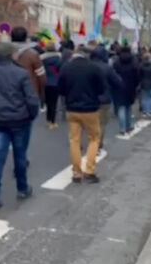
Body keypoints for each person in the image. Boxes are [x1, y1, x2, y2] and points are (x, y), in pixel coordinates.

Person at [0, 43, 39, 211]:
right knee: (20, 155)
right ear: (12, 55)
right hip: (20, 119)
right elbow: (31, 99)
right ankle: (22, 188)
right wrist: (31, 115)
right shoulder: (21, 73)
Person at [58, 45, 105, 183]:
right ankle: (89, 170)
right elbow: (101, 89)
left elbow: (61, 89)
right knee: (94, 138)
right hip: (90, 109)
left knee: (74, 140)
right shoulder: (94, 68)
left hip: (72, 109)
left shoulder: (66, 67)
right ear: (88, 55)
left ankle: (76, 172)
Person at [90, 44, 123, 150]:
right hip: (104, 99)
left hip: (88, 98)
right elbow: (118, 82)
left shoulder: (87, 65)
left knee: (88, 122)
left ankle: (89, 141)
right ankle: (98, 144)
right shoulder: (107, 68)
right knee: (101, 123)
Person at [12, 27, 46, 113]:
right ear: (26, 38)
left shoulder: (5, 53)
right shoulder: (33, 55)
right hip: (29, 91)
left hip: (8, 91)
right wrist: (41, 91)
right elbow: (41, 76)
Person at [113, 47, 140, 136]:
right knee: (128, 106)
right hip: (131, 86)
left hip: (119, 86)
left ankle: (122, 128)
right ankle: (129, 126)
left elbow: (113, 74)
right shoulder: (134, 61)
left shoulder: (117, 62)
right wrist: (136, 85)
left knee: (121, 107)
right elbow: (137, 75)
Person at [40, 42, 63, 129]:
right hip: (55, 82)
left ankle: (48, 120)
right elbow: (60, 70)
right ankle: (53, 122)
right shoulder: (59, 58)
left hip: (45, 82)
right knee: (54, 103)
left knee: (48, 102)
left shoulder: (41, 58)